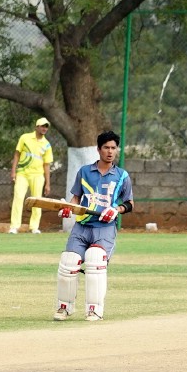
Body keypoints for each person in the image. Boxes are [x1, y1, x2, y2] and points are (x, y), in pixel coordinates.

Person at [53, 130, 134, 322]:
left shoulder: (122, 176)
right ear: (98, 150)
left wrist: (117, 210)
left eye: (113, 148)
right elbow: (75, 199)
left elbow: (130, 204)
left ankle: (94, 310)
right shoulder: (84, 172)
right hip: (82, 226)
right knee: (69, 261)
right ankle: (64, 307)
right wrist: (68, 209)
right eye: (106, 147)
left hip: (104, 228)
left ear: (117, 150)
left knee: (96, 259)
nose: (110, 151)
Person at [9, 117, 54, 234]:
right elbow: (17, 155)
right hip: (22, 173)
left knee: (37, 200)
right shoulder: (25, 138)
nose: (44, 128)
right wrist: (13, 171)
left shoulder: (47, 145)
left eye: (46, 126)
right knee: (18, 197)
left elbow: (47, 165)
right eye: (42, 126)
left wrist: (48, 184)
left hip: (38, 175)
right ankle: (14, 226)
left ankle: (34, 227)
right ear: (36, 127)